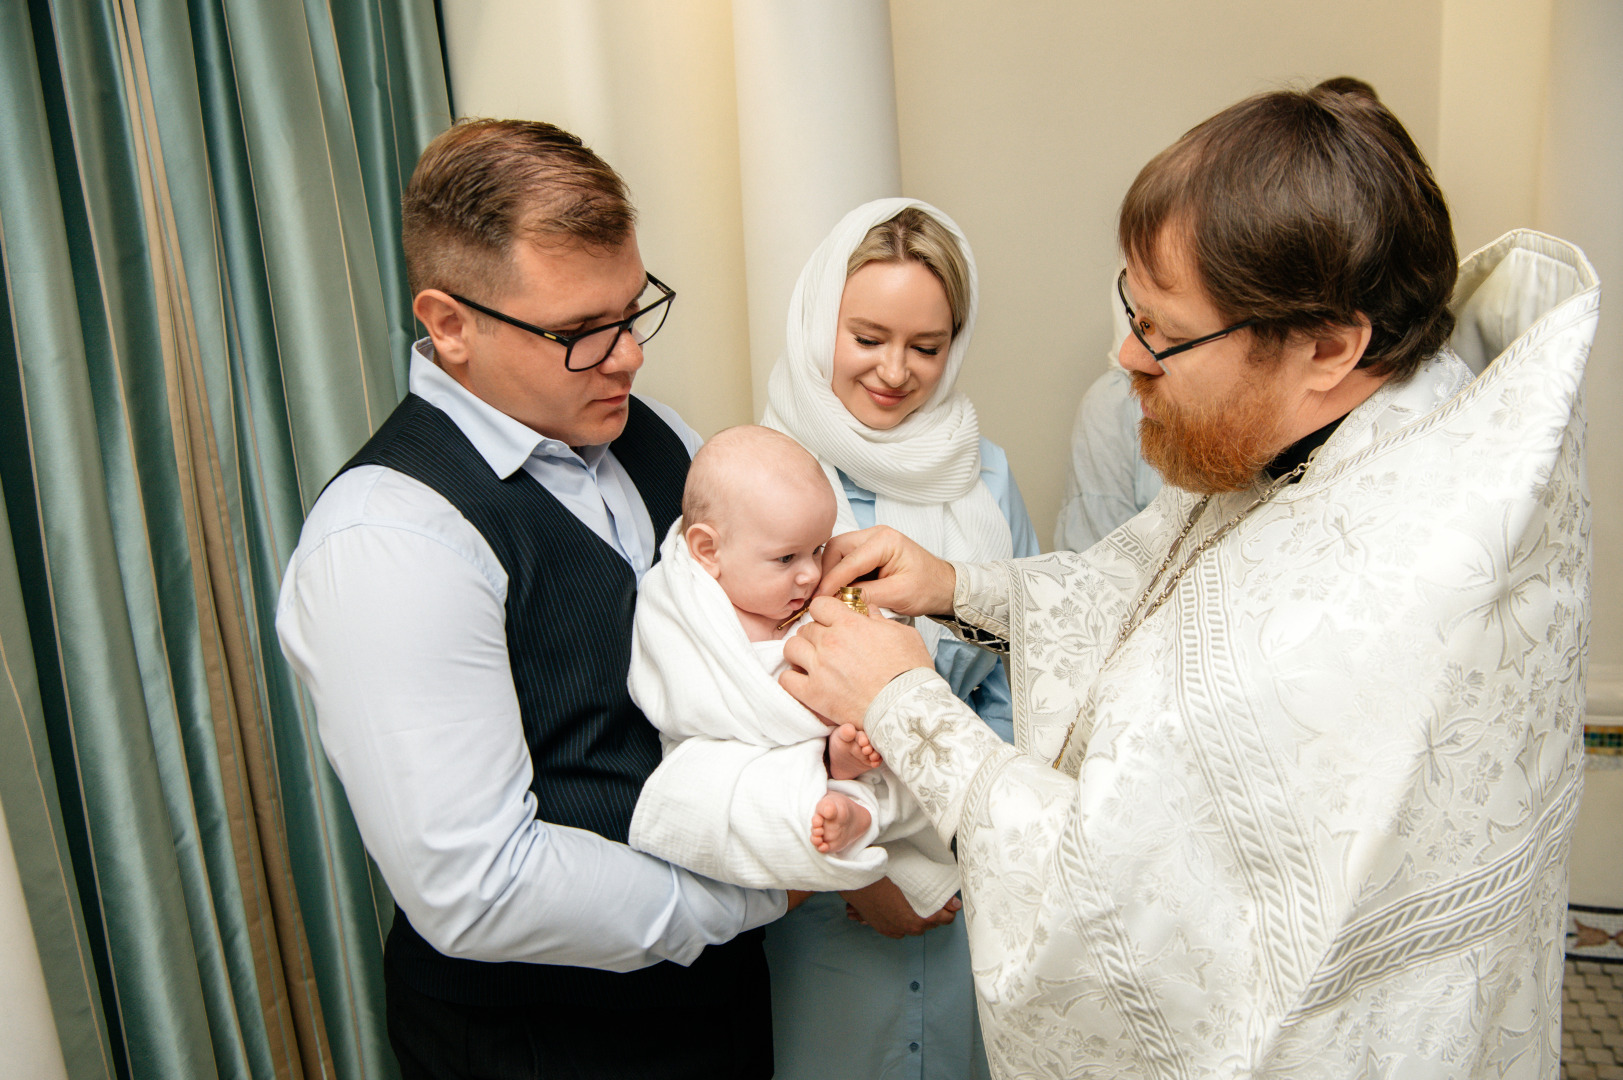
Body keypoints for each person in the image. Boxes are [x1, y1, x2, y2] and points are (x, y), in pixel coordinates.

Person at [780, 82, 1597, 1078]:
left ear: (1328, 346)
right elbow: (1155, 589)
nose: (1125, 354)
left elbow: (1118, 905)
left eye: (1163, 332)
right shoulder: (1331, 429)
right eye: (1131, 308)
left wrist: (902, 702)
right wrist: (959, 587)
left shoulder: (1378, 586)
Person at [275, 119, 782, 1079]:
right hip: (539, 1042)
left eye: (633, 312)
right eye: (582, 333)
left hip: (718, 1005)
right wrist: (761, 893)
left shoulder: (661, 436)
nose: (627, 356)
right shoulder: (389, 539)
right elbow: (475, 883)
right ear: (450, 323)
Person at [760, 198, 1041, 1079]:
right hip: (824, 889)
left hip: (972, 886)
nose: (895, 371)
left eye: (927, 347)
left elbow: (1021, 677)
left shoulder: (985, 472)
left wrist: (957, 853)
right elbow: (732, 702)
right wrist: (872, 876)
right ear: (819, 326)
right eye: (867, 337)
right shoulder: (759, 477)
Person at [625, 424, 958, 914]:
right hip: (743, 747)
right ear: (707, 551)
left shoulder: (809, 593)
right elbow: (680, 697)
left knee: (888, 761)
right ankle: (839, 802)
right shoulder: (680, 603)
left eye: (819, 549)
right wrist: (801, 703)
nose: (809, 573)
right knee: (720, 785)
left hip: (835, 745)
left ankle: (854, 804)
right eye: (786, 558)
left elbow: (875, 663)